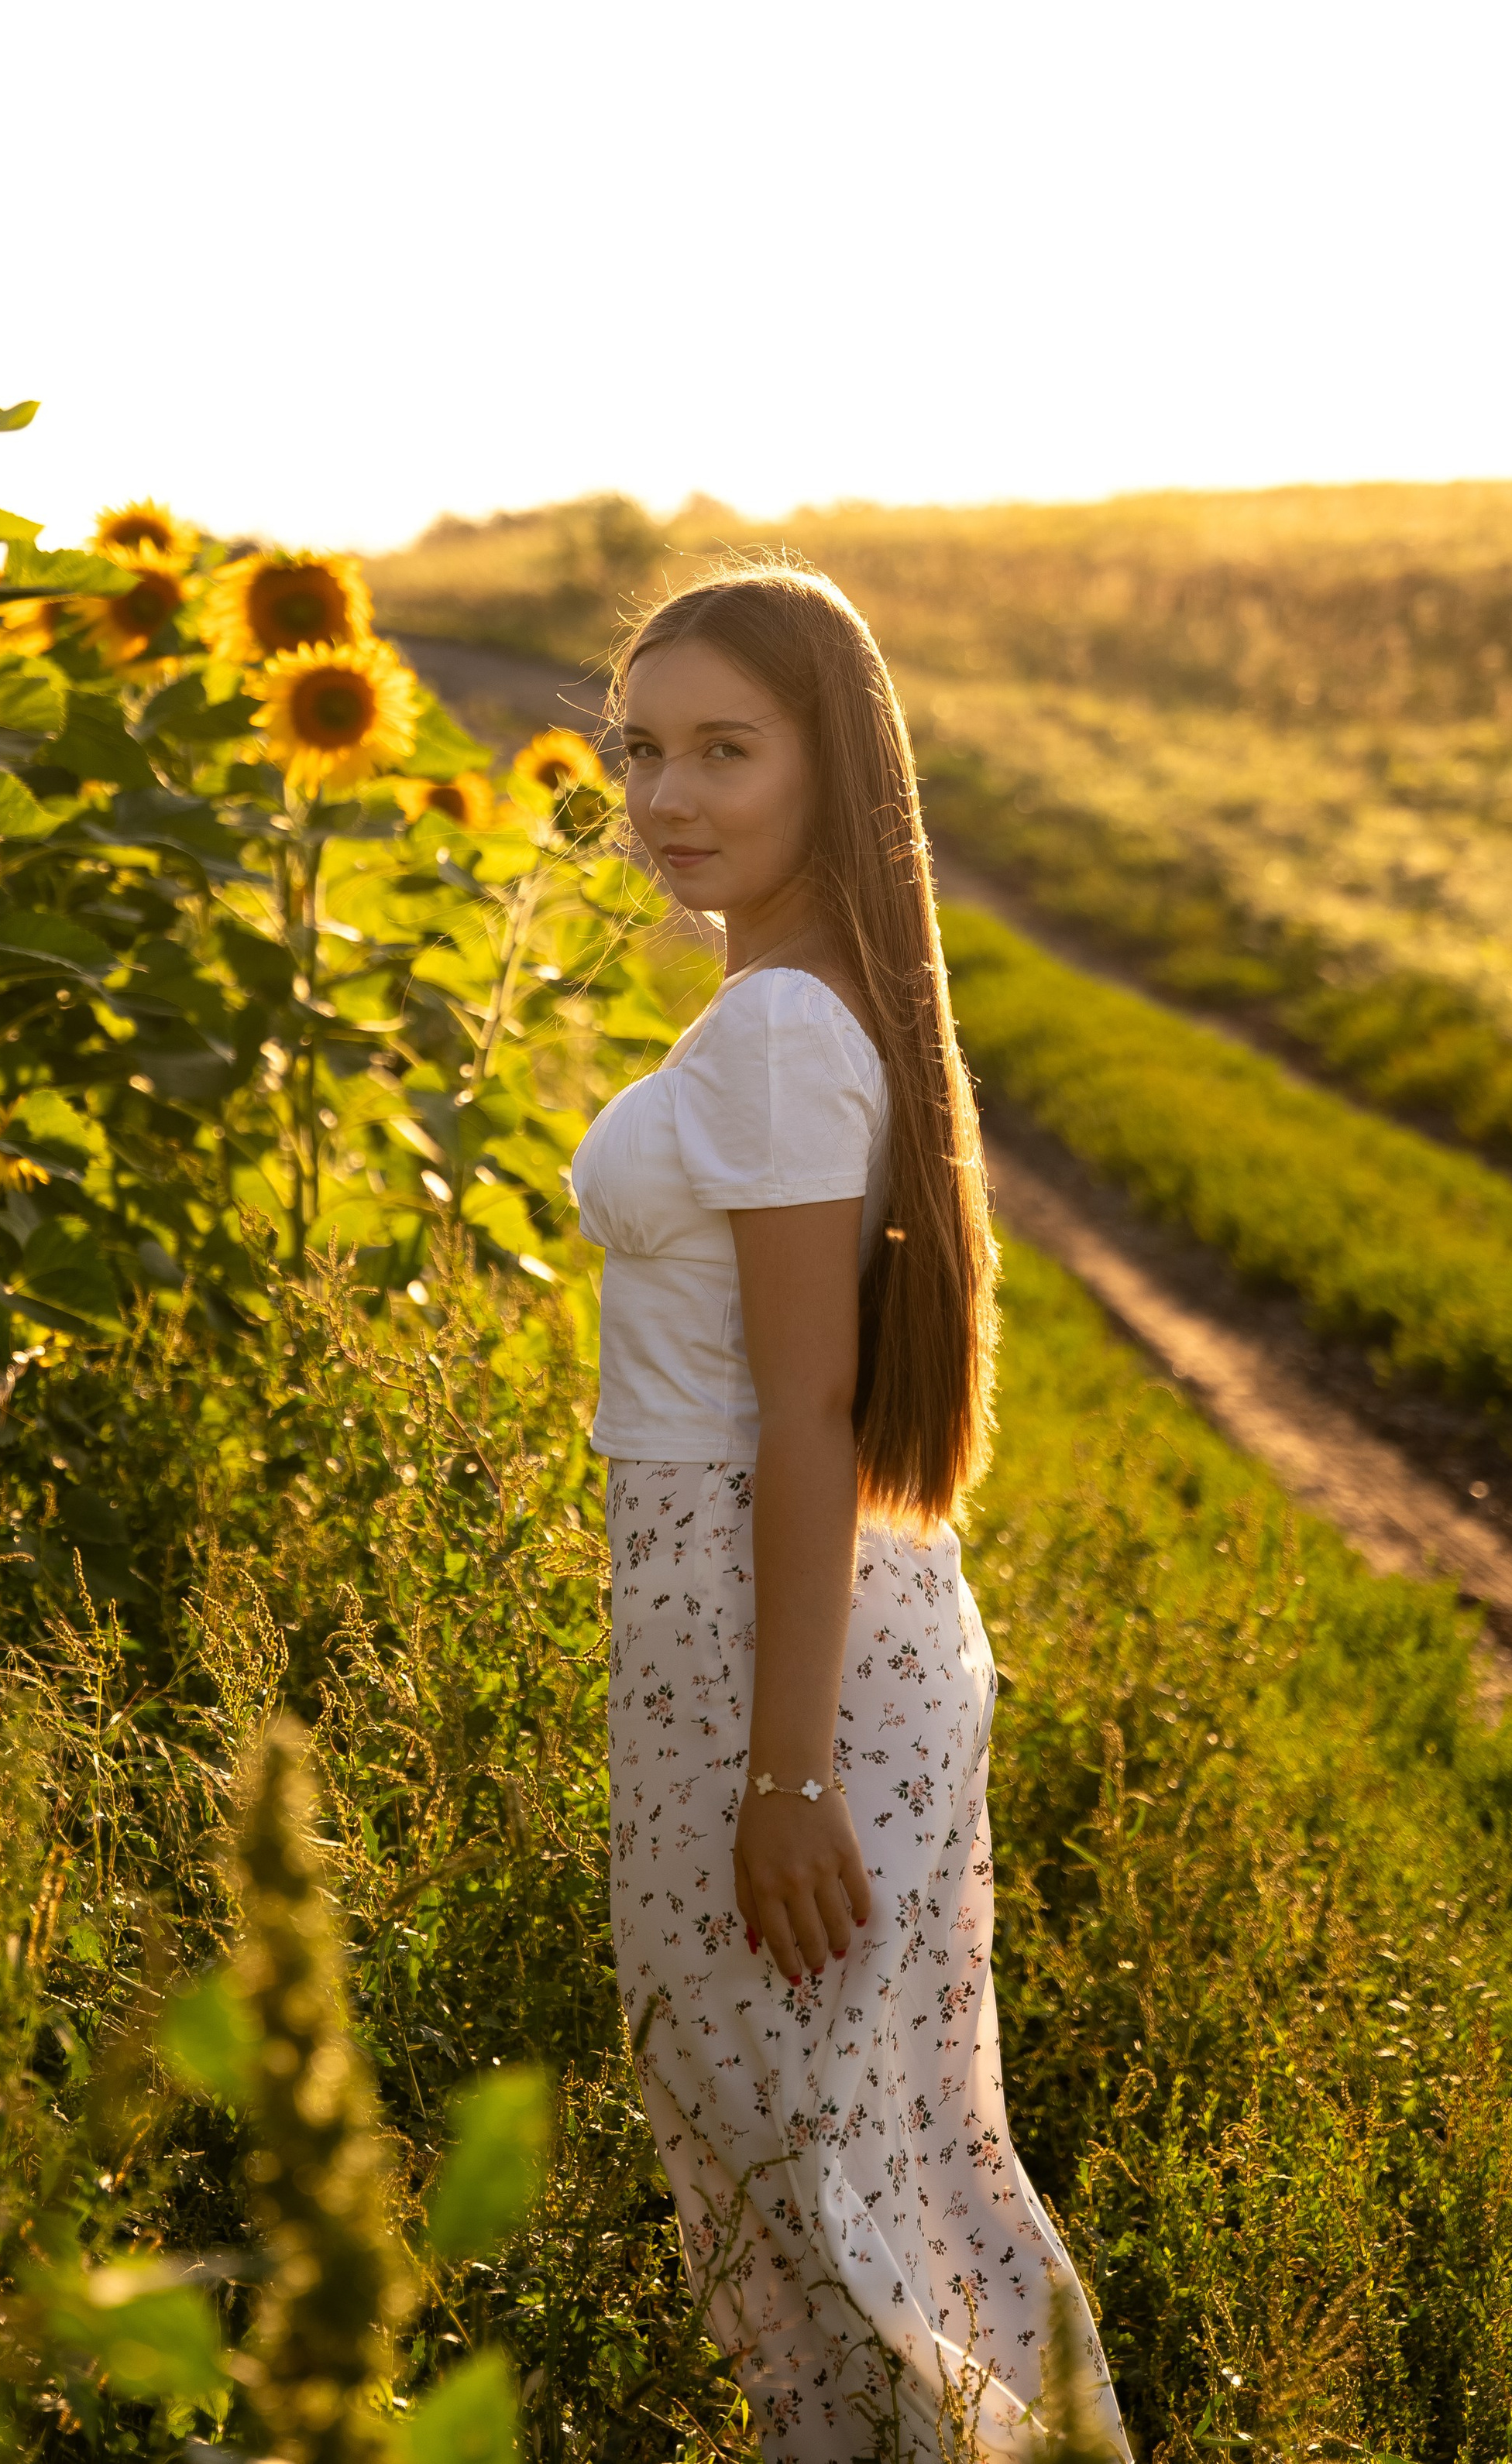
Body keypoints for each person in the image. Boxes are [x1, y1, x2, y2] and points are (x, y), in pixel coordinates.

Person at [571, 565, 1130, 2462]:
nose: (665, 798)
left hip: (773, 1659)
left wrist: (784, 1775)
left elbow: (805, 1410)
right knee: (854, 2154)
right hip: (764, 1641)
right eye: (640, 749)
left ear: (835, 758)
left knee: (825, 2172)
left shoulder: (786, 1031)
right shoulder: (782, 1004)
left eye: (724, 748)